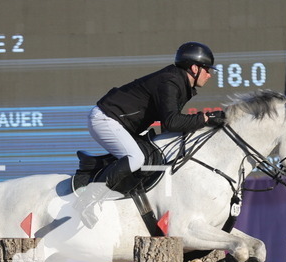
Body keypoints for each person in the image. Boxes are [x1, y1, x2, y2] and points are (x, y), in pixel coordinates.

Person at [87, 41, 225, 192]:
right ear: (194, 68)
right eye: (207, 70)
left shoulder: (180, 83)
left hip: (121, 123)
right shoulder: (170, 81)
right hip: (106, 119)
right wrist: (205, 118)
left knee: (154, 154)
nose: (209, 75)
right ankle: (91, 195)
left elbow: (168, 125)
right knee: (136, 158)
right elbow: (172, 122)